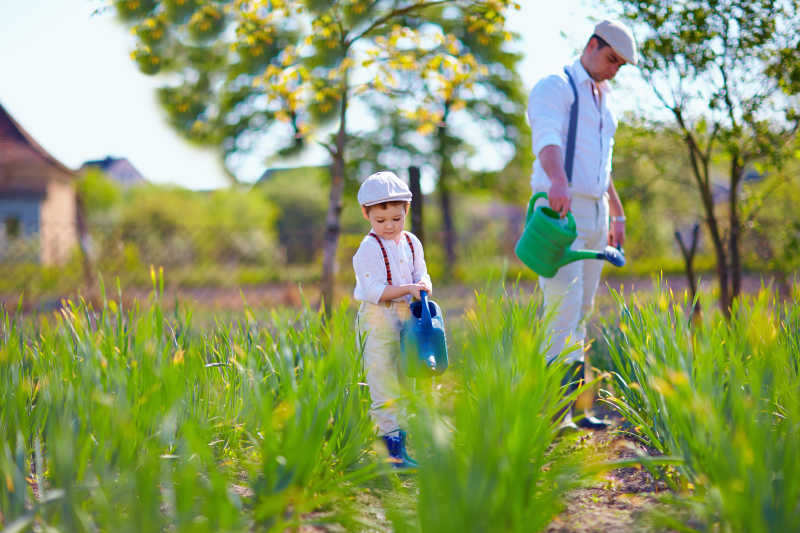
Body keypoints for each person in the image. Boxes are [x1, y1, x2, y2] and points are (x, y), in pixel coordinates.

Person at [527, 20, 636, 431]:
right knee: (562, 308)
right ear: (591, 45)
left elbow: (601, 166)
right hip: (561, 210)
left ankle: (578, 409)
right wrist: (557, 179)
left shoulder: (604, 101)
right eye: (611, 59)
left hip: (596, 212)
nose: (614, 70)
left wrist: (617, 212)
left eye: (620, 65)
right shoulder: (555, 85)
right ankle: (554, 415)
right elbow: (547, 138)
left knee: (583, 310)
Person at [353, 170, 432, 468]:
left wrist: (424, 285)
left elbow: (421, 273)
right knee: (383, 380)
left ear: (406, 211)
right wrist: (408, 289)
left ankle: (406, 444)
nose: (389, 226)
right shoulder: (368, 248)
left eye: (396, 219)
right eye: (381, 220)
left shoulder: (412, 242)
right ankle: (390, 452)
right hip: (378, 319)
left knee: (407, 376)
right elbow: (374, 290)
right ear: (367, 214)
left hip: (406, 317)